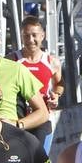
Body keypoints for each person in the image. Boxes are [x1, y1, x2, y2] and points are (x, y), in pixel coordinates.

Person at [14, 15, 63, 153]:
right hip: (19, 119)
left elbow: (59, 83)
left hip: (42, 119)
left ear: (43, 35)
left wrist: (57, 96)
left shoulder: (51, 61)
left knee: (40, 161)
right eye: (26, 36)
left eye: (34, 35)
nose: (30, 40)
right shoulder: (12, 60)